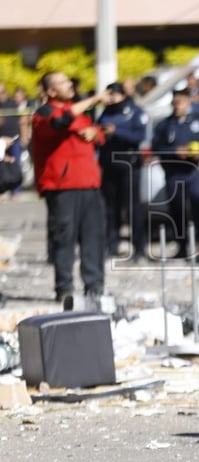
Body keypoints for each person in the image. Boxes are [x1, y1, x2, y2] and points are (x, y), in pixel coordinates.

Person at [31, 71, 108, 307]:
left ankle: (94, 286)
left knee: (93, 238)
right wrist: (95, 99)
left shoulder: (78, 112)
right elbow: (60, 121)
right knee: (64, 239)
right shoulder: (45, 113)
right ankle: (64, 288)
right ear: (51, 91)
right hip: (62, 186)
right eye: (63, 82)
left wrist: (95, 133)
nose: (70, 85)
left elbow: (98, 134)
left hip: (89, 184)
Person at [151, 88, 199, 259]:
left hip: (192, 172)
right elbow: (156, 147)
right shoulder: (165, 125)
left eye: (182, 103)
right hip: (174, 173)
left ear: (188, 103)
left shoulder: (197, 123)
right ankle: (181, 247)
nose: (178, 106)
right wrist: (174, 152)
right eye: (175, 103)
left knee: (198, 207)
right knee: (177, 211)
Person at [97, 82, 149, 260]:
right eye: (108, 95)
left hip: (129, 165)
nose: (111, 99)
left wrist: (116, 131)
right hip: (109, 164)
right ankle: (111, 245)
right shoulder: (105, 112)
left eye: (114, 95)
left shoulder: (134, 111)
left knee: (133, 208)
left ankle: (139, 248)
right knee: (111, 208)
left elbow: (139, 136)